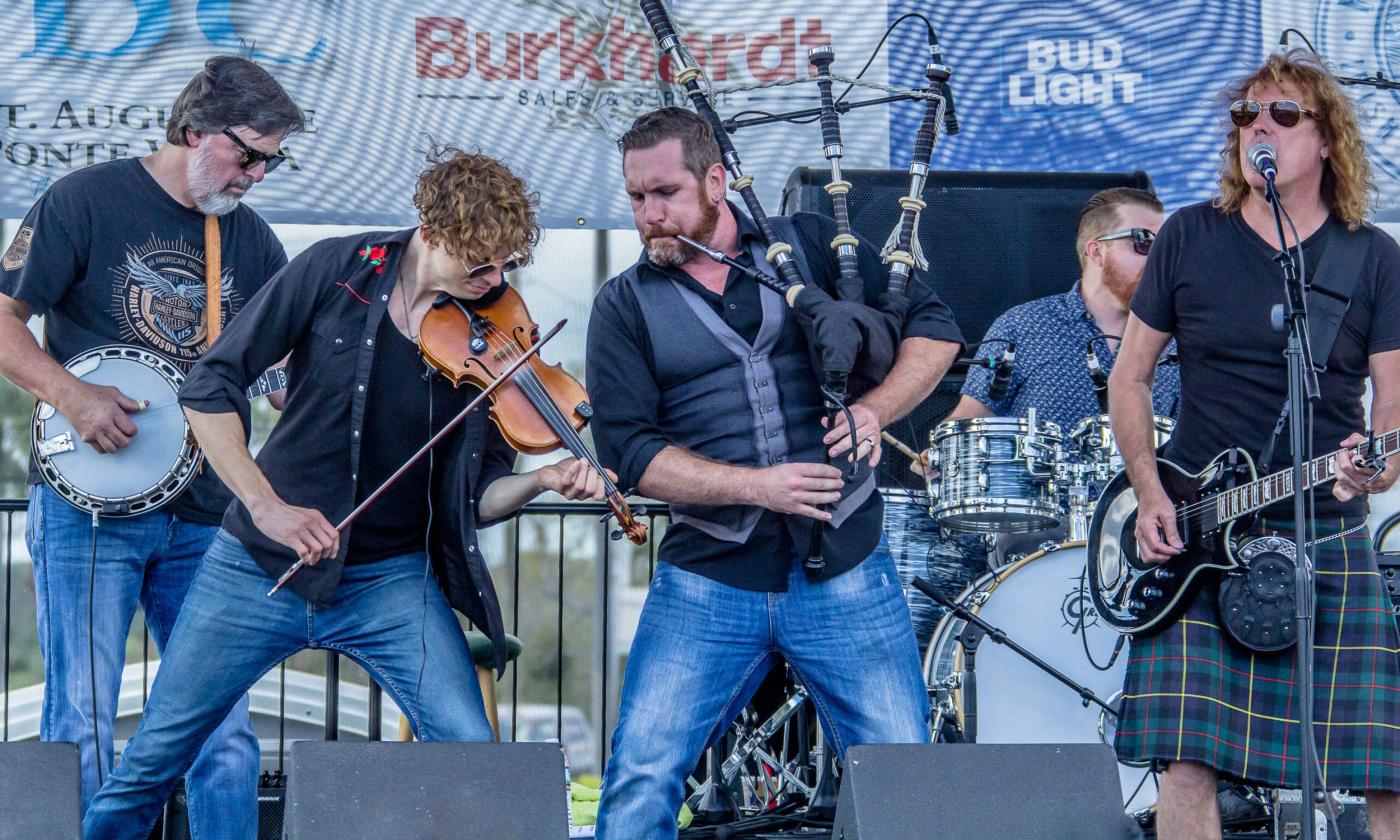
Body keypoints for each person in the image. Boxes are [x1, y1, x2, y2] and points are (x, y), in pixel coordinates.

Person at [82, 147, 611, 837]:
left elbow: (477, 499)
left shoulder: (495, 336)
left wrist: (542, 479)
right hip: (256, 568)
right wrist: (265, 506)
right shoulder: (336, 268)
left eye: (507, 265)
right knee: (153, 759)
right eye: (480, 263)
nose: (495, 281)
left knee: (478, 759)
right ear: (432, 230)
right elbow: (208, 386)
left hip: (392, 580)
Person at [585, 106, 963, 838]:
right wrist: (755, 487)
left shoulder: (810, 246)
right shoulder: (624, 303)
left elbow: (936, 331)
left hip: (846, 568)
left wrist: (874, 413)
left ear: (716, 180)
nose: (650, 214)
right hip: (708, 579)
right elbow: (628, 454)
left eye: (665, 193)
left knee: (904, 783)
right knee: (640, 777)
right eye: (636, 198)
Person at [0, 55, 302, 836]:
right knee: (85, 721)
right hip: (87, 511)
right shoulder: (83, 201)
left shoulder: (254, 242)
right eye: (248, 154)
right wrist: (72, 395)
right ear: (194, 129)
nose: (257, 175)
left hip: (207, 518)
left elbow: (277, 372)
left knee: (225, 735)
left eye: (271, 160)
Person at [1108, 50, 1399, 840]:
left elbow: (1392, 414)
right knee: (1184, 758)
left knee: (1386, 770)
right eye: (1246, 115)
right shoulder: (1189, 237)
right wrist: (1150, 488)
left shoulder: (1370, 255)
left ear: (1327, 141)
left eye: (1282, 115)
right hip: (1203, 530)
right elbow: (1129, 378)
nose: (1258, 128)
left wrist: (1376, 466)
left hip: (1323, 534)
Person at [945, 187, 1177, 432]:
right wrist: (941, 449)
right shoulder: (1022, 326)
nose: (1159, 259)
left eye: (1165, 247)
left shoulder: (1177, 340)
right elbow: (974, 413)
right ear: (1097, 252)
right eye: (1144, 242)